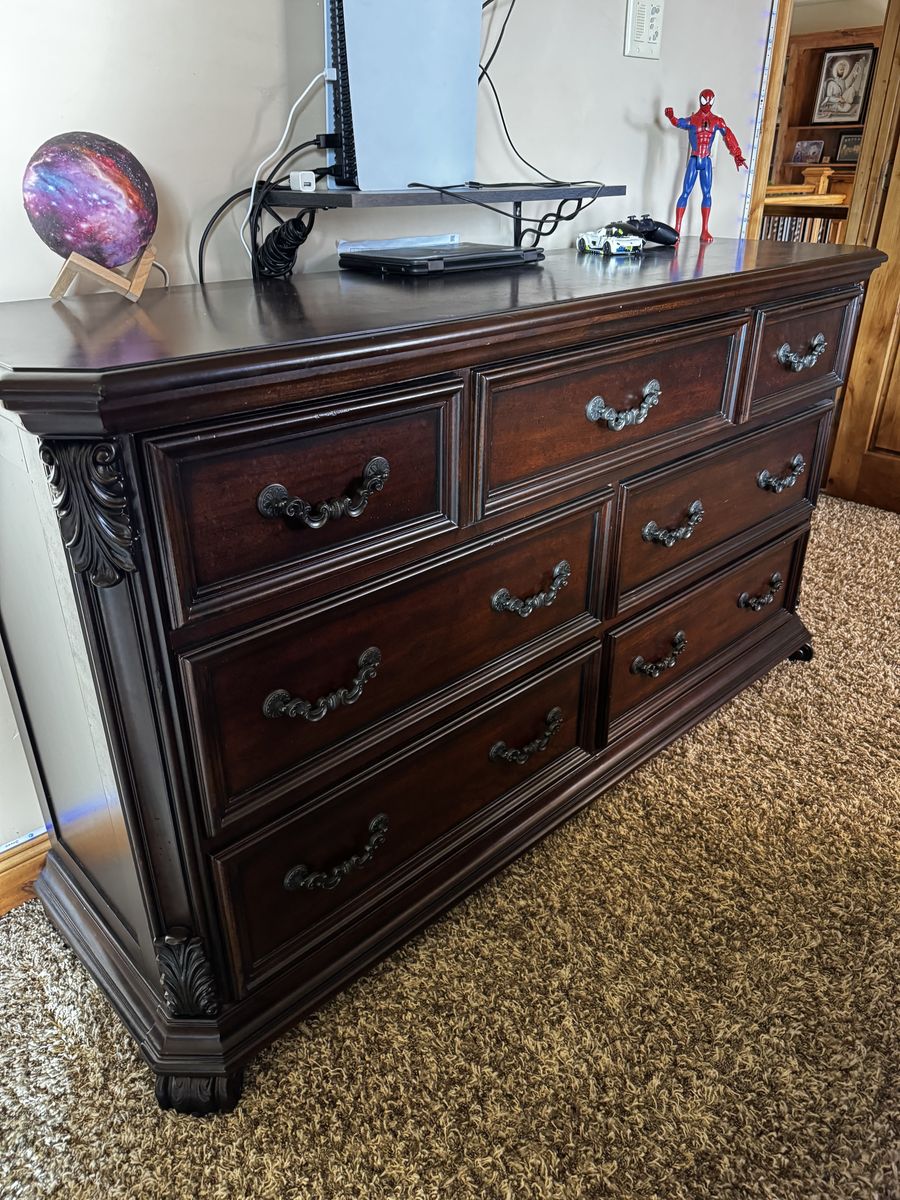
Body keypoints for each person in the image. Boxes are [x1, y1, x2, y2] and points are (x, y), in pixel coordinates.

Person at [664, 89, 747, 243]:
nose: (707, 103)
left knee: (707, 194)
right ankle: (677, 229)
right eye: (704, 100)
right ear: (700, 100)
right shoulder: (692, 120)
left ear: (713, 101)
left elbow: (727, 135)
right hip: (694, 158)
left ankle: (705, 230)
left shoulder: (717, 121)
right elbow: (679, 122)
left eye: (710, 100)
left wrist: (736, 153)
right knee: (685, 193)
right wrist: (671, 117)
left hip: (706, 161)